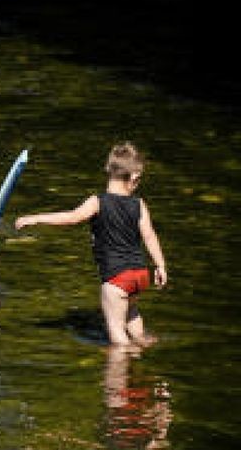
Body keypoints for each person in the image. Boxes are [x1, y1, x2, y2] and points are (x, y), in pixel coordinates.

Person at [15, 142, 168, 348]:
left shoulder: (98, 201)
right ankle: (145, 351)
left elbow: (71, 217)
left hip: (116, 278)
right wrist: (160, 266)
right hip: (139, 275)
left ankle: (120, 371)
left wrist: (36, 218)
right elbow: (149, 236)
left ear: (109, 170)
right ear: (133, 178)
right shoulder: (139, 204)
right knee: (132, 315)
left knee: (117, 337)